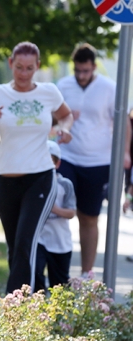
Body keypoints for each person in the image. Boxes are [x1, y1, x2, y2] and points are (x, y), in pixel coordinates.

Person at [0, 41, 74, 294]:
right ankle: (28, 302)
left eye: (29, 68)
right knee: (15, 245)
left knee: (26, 242)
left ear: (37, 66)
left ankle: (14, 304)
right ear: (10, 64)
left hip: (40, 177)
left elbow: (66, 115)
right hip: (6, 179)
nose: (24, 74)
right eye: (19, 68)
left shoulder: (49, 92)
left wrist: (64, 129)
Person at [56, 43, 132, 279]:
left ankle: (86, 273)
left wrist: (126, 152)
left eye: (86, 71)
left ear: (94, 67)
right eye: (78, 70)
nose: (81, 76)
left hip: (98, 161)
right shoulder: (62, 86)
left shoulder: (109, 88)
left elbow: (125, 123)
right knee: (58, 212)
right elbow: (52, 117)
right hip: (67, 156)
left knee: (89, 217)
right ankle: (58, 271)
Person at [34, 140, 76, 292]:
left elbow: (71, 212)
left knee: (59, 285)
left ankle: (59, 313)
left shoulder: (65, 184)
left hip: (60, 241)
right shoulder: (33, 183)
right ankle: (38, 307)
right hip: (39, 239)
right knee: (36, 273)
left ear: (57, 164)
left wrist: (52, 208)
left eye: (50, 162)